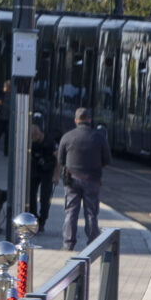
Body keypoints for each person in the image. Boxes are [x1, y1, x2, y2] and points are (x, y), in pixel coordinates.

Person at [56, 107, 109, 251]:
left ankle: (68, 243)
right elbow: (106, 159)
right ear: (90, 120)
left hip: (72, 180)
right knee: (91, 212)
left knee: (71, 212)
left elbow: (60, 159)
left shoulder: (67, 137)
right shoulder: (99, 137)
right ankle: (92, 243)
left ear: (75, 120)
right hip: (92, 180)